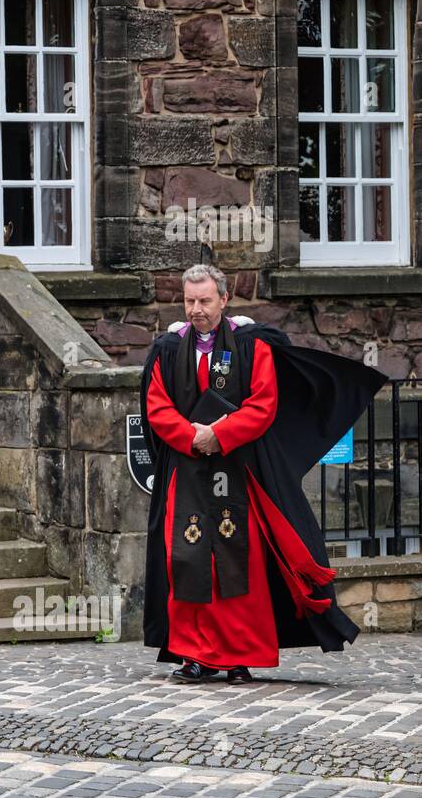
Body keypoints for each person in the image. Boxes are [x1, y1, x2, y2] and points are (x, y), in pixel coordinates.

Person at [140, 263, 385, 683]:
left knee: (241, 564)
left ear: (223, 299)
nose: (196, 309)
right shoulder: (167, 349)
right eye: (189, 301)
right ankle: (195, 656)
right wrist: (191, 437)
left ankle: (238, 656)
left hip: (239, 471)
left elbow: (263, 403)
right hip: (187, 473)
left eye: (204, 300)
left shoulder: (253, 345)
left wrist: (218, 435)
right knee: (188, 560)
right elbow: (157, 407)